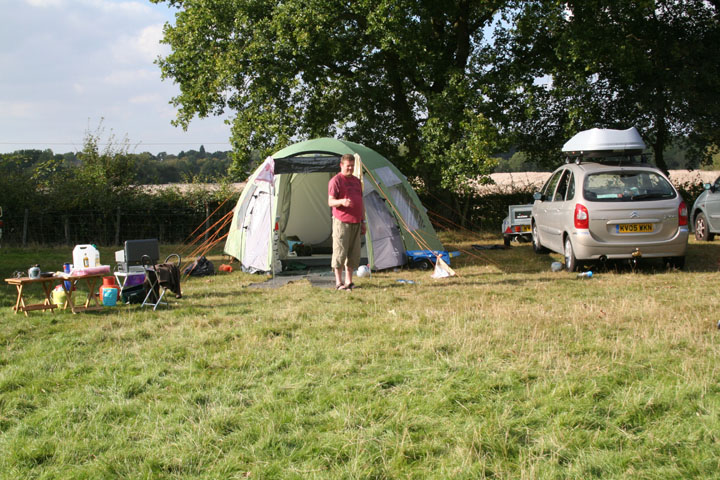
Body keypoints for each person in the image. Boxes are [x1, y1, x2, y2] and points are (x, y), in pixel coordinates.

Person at [328, 153, 366, 290]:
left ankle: (349, 281)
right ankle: (339, 282)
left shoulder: (356, 181)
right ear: (341, 165)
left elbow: (361, 203)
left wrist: (364, 221)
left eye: (352, 166)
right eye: (347, 166)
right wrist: (342, 202)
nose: (350, 168)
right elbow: (330, 201)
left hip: (356, 221)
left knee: (353, 253)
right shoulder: (336, 181)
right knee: (340, 252)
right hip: (342, 222)